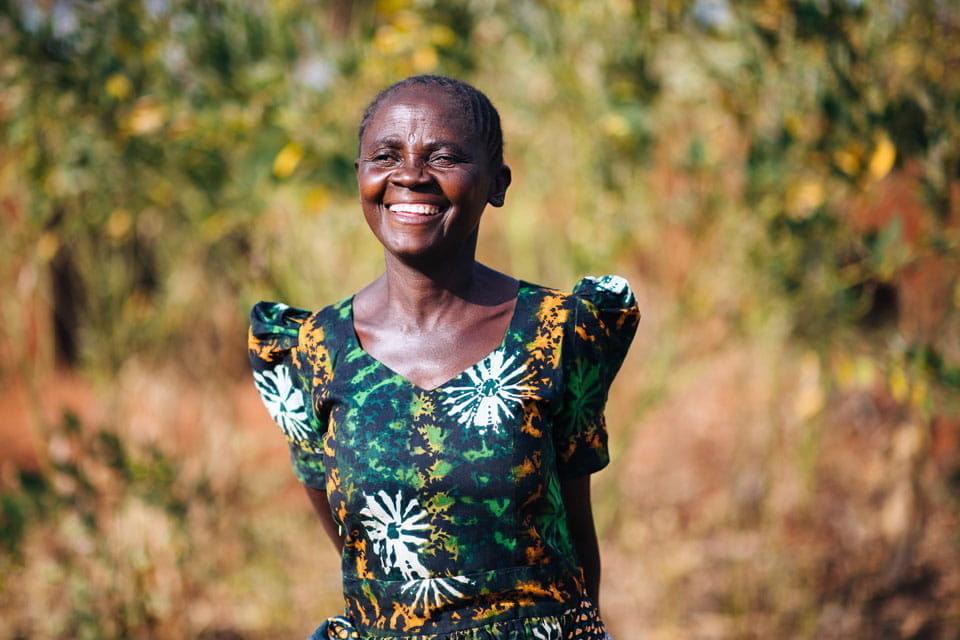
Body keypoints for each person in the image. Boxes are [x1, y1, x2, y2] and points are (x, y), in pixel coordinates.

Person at [248, 75, 639, 640]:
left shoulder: (557, 331)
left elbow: (574, 524)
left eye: (446, 157)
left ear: (497, 183)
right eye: (385, 155)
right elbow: (354, 543)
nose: (409, 175)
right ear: (360, 175)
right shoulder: (312, 349)